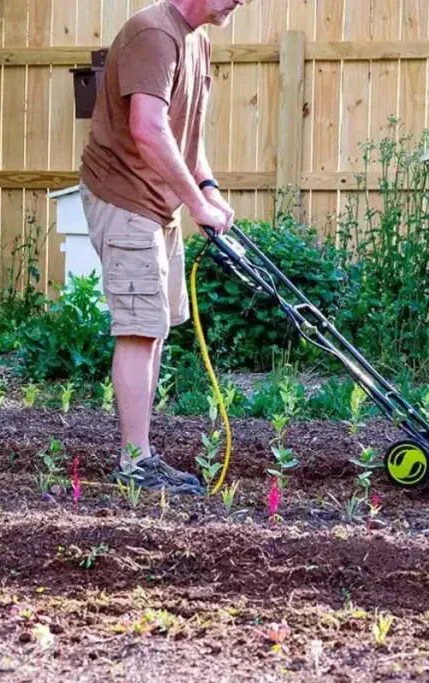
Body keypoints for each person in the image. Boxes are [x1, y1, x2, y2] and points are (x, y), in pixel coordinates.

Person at [78, 0, 247, 493]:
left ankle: (142, 455)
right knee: (138, 327)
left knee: (153, 328)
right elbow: (146, 129)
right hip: (125, 197)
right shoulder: (153, 34)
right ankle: (135, 463)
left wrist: (208, 188)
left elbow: (182, 136)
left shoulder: (196, 41)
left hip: (158, 204)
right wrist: (198, 205)